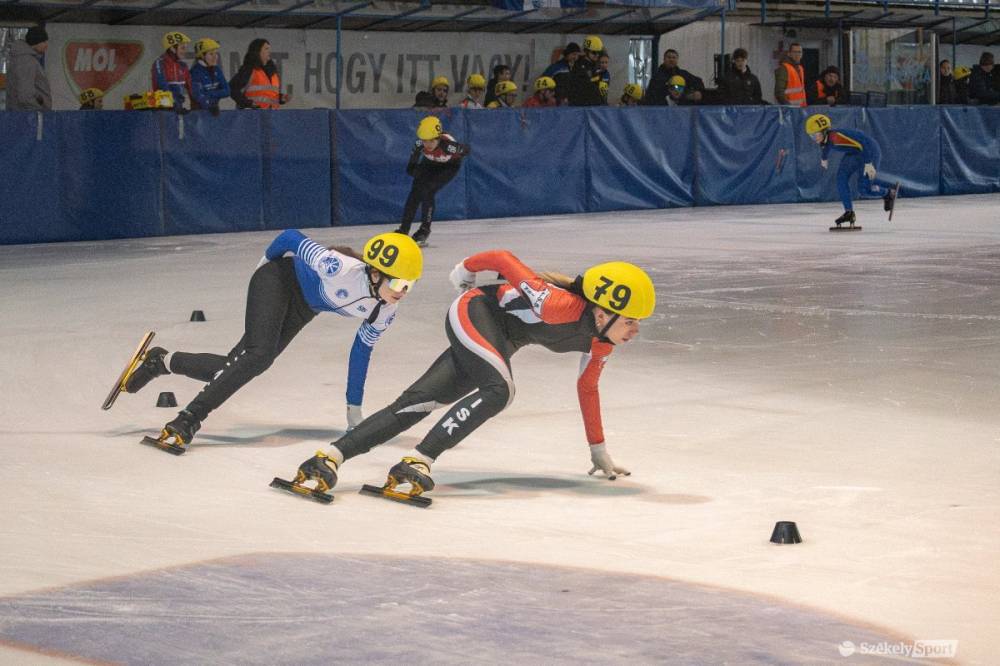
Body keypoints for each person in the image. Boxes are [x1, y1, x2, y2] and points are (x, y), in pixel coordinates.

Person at [284, 251, 657, 500]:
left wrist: (598, 451)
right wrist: (465, 271)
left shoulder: (603, 343)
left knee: (417, 402)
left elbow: (587, 387)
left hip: (499, 339)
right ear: (602, 312)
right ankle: (418, 461)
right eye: (630, 321)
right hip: (475, 310)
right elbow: (502, 259)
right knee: (500, 389)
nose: (635, 331)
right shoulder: (555, 303)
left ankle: (327, 458)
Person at [115, 230, 423, 451]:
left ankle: (162, 360)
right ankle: (189, 418)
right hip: (277, 280)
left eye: (410, 284)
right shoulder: (338, 267)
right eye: (397, 282)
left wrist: (354, 409)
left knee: (236, 366)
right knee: (259, 356)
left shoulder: (386, 310)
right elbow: (290, 237)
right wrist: (264, 264)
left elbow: (360, 352)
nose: (402, 291)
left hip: (305, 307)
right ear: (374, 273)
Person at [806, 114, 899, 228]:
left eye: (815, 135)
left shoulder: (837, 138)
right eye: (811, 136)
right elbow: (826, 146)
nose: (814, 139)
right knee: (841, 177)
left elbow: (863, 143)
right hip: (855, 152)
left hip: (869, 151)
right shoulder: (827, 138)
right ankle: (849, 212)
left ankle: (888, 193)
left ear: (825, 131)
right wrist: (824, 158)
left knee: (864, 189)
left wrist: (869, 163)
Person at [395, 116, 470, 246]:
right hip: (430, 163)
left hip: (449, 166)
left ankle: (424, 230)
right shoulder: (419, 145)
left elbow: (466, 149)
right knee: (415, 193)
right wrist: (414, 170)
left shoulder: (448, 146)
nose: (427, 145)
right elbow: (411, 166)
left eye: (431, 141)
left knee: (428, 191)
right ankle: (403, 229)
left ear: (438, 138)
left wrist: (460, 151)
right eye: (424, 141)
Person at [229, 38, 291, 109]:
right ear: (257, 51)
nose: (269, 52)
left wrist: (281, 98)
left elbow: (269, 95)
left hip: (271, 116)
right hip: (252, 116)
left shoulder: (272, 72)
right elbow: (231, 88)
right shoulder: (249, 69)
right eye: (266, 49)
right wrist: (247, 103)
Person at [6, 25, 51, 111]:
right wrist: (40, 110)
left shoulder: (21, 58)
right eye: (44, 41)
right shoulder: (27, 61)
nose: (46, 45)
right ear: (36, 42)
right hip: (27, 117)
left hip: (20, 115)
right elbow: (25, 95)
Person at [151, 31, 192, 112]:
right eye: (182, 48)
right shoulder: (160, 62)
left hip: (178, 107)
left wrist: (198, 105)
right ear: (172, 48)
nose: (184, 51)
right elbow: (162, 85)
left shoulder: (183, 65)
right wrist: (174, 104)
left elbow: (191, 86)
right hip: (163, 109)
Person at [189, 38, 230, 113]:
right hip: (199, 113)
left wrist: (210, 94)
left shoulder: (217, 69)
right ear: (202, 56)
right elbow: (198, 96)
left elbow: (227, 91)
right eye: (211, 54)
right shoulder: (195, 72)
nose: (215, 57)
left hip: (214, 110)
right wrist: (210, 104)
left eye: (216, 53)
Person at [565, 35, 605, 106]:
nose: (597, 55)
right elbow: (587, 89)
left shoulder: (594, 66)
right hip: (582, 107)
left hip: (592, 106)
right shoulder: (579, 67)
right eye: (594, 53)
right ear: (586, 52)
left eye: (599, 53)